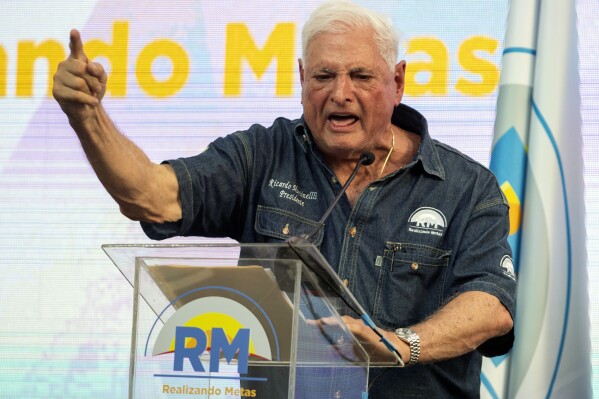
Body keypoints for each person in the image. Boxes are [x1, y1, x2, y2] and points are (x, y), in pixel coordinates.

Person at [53, 1, 516, 397]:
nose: (340, 93)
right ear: (301, 77)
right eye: (323, 75)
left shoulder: (466, 187)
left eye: (360, 76)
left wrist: (399, 344)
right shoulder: (260, 155)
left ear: (397, 82)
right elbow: (149, 196)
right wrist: (88, 119)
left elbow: (491, 304)